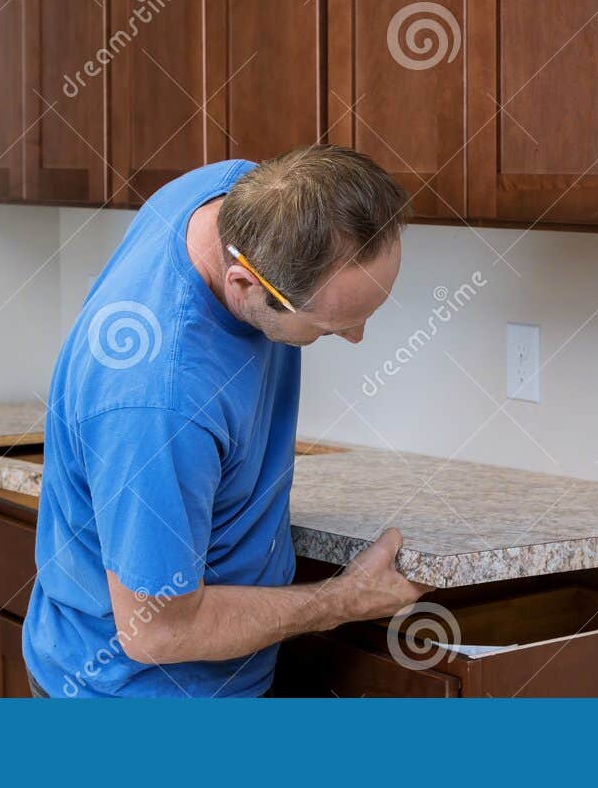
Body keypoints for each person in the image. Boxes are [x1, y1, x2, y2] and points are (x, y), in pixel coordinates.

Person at [23, 146, 431, 697]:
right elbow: (159, 632)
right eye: (332, 326)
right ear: (244, 286)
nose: (356, 337)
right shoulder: (158, 402)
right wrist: (344, 600)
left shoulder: (237, 193)